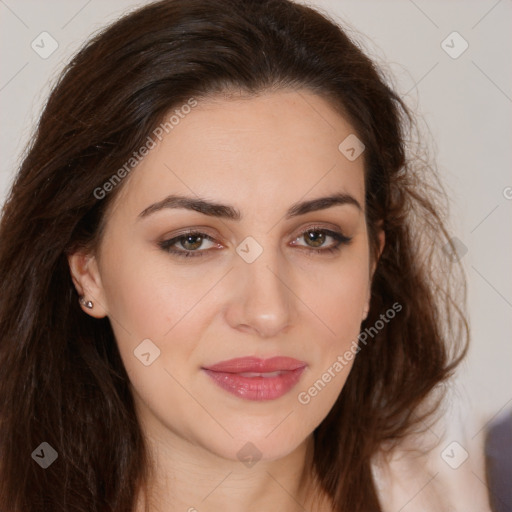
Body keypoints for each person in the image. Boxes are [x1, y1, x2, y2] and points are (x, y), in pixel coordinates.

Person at [0, 0, 491, 510]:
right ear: (88, 271)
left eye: (317, 237)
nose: (267, 312)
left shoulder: (478, 487)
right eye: (192, 241)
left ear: (373, 259)